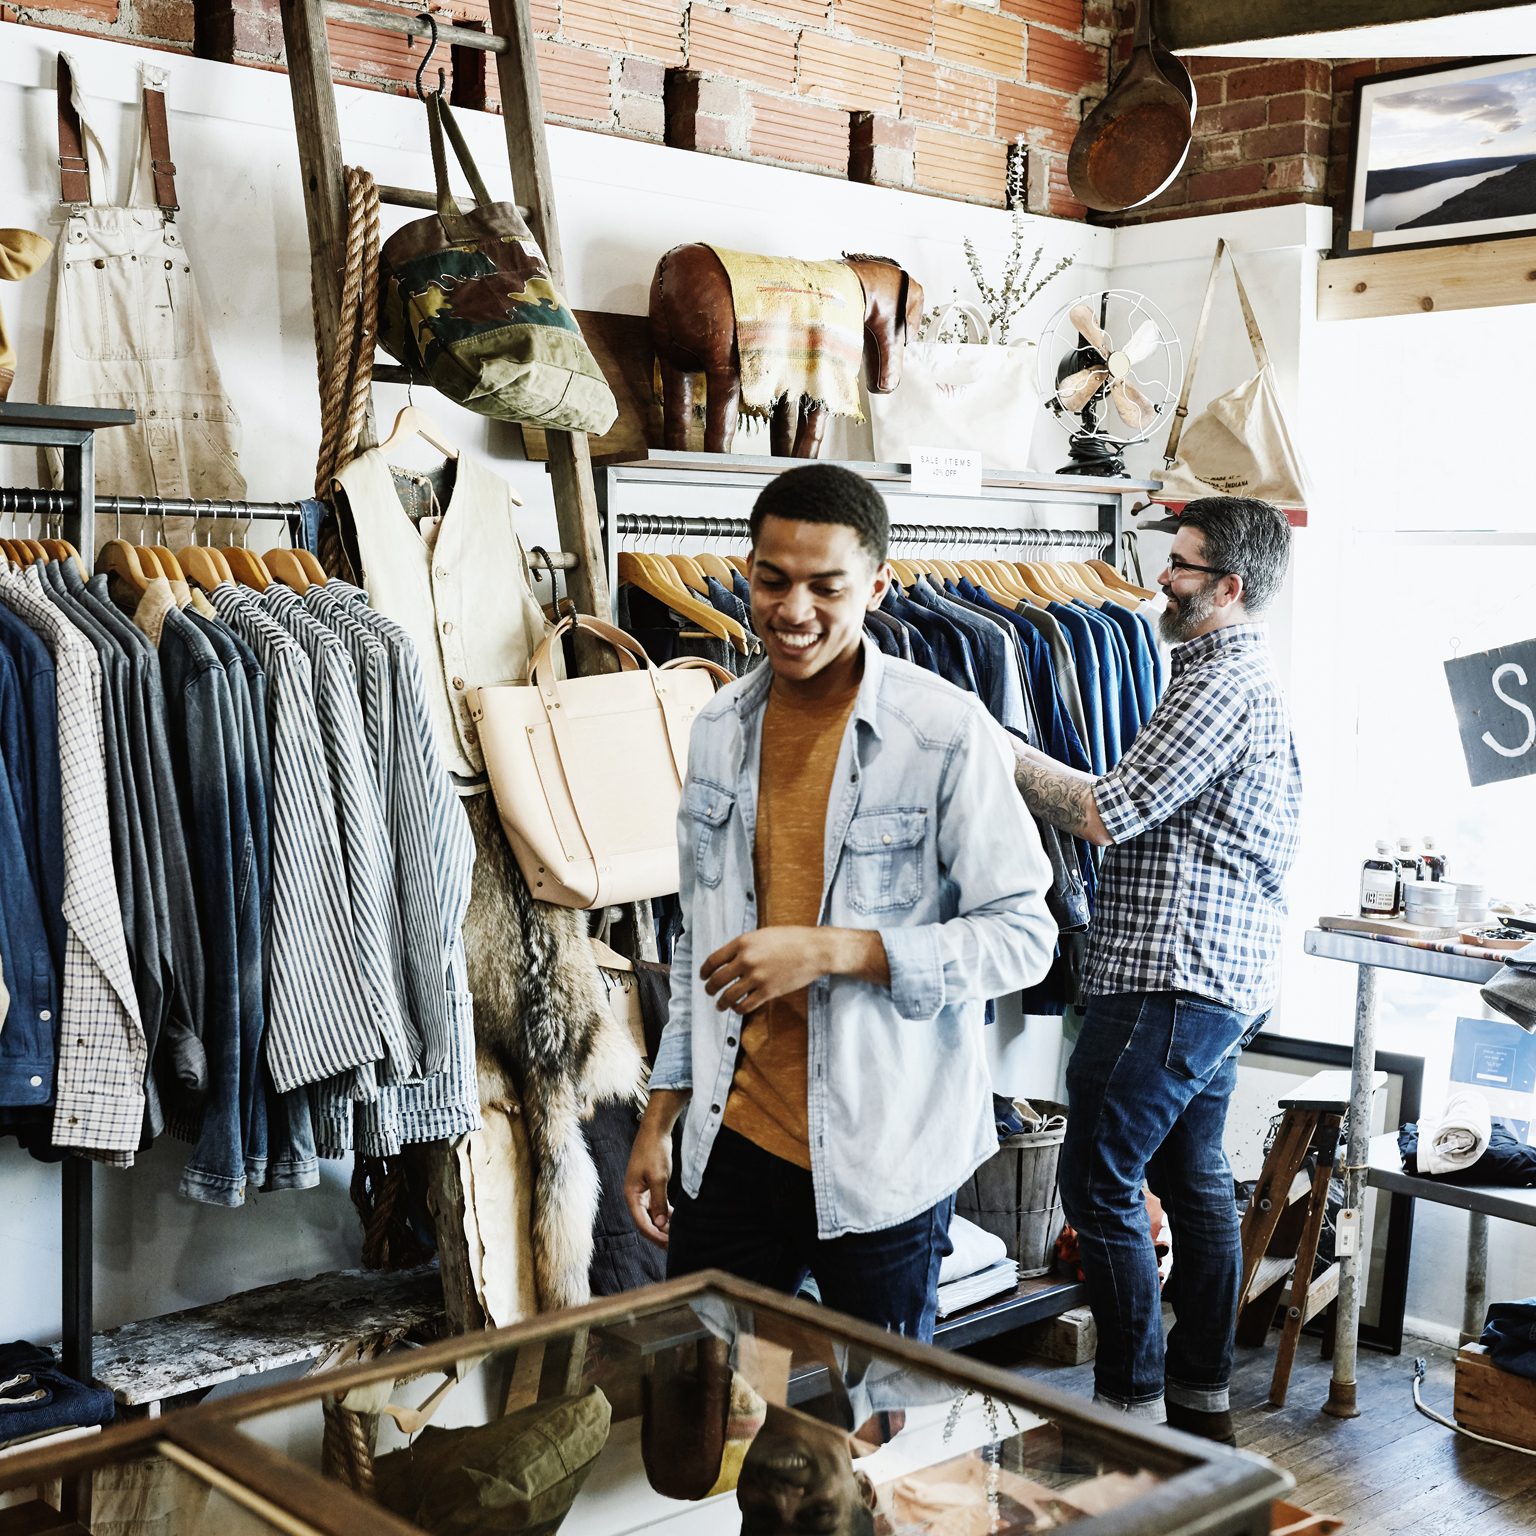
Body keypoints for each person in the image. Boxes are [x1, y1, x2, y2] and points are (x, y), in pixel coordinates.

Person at [623, 462, 1056, 1342]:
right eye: (772, 580)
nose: (793, 611)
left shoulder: (943, 731)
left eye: (827, 587)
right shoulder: (717, 727)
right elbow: (695, 942)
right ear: (747, 573)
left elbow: (1026, 937)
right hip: (729, 1147)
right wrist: (660, 1113)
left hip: (883, 1160)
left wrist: (835, 949)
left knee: (872, 1444)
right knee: (716, 1413)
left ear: (877, 588)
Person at [1010, 496, 1302, 1445]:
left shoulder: (1221, 684)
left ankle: (1129, 1407)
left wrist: (996, 752)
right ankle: (1198, 1406)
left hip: (1172, 976)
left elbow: (1107, 812)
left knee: (1097, 1180)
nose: (1159, 579)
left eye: (1181, 565)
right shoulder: (1221, 671)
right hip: (1214, 974)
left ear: (1230, 587)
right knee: (1194, 1179)